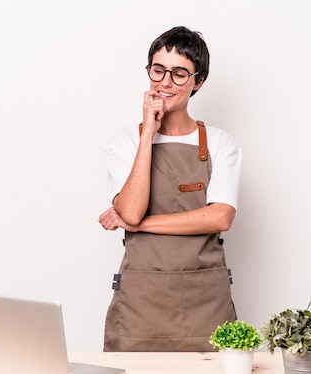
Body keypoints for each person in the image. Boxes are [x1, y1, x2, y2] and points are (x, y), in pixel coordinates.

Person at [98, 26, 242, 352]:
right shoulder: (125, 141)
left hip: (205, 303)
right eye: (158, 70)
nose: (164, 82)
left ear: (198, 82)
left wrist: (138, 224)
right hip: (140, 303)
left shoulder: (220, 143)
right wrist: (148, 134)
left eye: (179, 74)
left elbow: (220, 217)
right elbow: (131, 208)